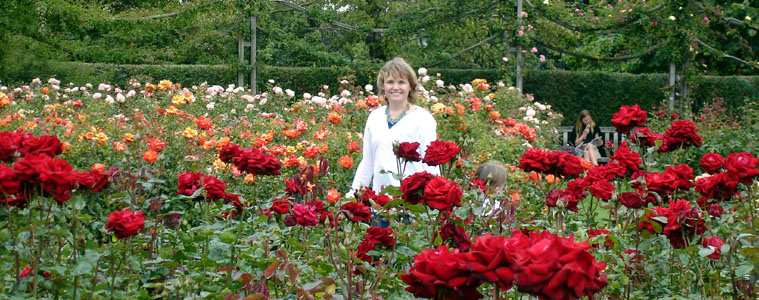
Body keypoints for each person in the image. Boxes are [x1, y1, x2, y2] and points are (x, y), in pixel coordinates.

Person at [350, 57, 440, 195]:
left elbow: (431, 165)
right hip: (381, 204)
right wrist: (353, 196)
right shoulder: (375, 117)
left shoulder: (423, 119)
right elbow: (367, 162)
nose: (395, 87)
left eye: (401, 82)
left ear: (410, 86)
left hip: (412, 204)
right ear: (383, 86)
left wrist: (431, 201)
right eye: (390, 82)